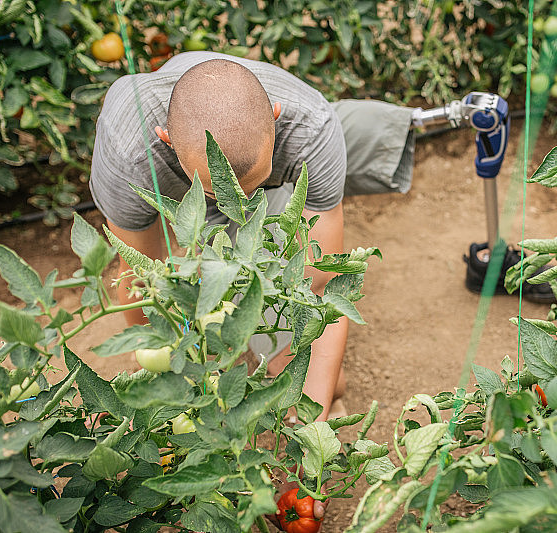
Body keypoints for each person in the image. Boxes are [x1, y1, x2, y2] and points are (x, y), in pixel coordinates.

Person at [91, 52, 416, 426]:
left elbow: (323, 287)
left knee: (321, 379)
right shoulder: (129, 153)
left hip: (290, 162)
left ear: (276, 117)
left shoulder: (310, 127)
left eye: (253, 184)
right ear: (165, 139)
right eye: (219, 193)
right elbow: (139, 278)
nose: (238, 204)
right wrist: (162, 369)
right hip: (165, 170)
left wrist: (314, 417)